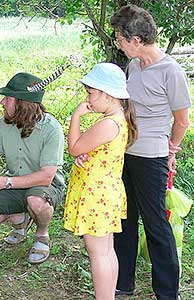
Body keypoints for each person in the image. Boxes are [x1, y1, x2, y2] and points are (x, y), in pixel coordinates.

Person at [110, 4, 191, 300]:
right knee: (124, 218)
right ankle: (123, 283)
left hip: (153, 157)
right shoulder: (133, 66)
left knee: (156, 223)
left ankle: (168, 292)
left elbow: (182, 120)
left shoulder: (171, 71)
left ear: (136, 39)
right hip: (125, 153)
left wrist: (170, 151)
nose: (118, 42)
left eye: (120, 37)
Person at [0, 72, 66, 264]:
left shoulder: (51, 128)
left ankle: (42, 234)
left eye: (7, 98)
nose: (2, 102)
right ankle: (20, 220)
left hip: (45, 187)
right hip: (14, 185)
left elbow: (46, 177)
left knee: (35, 200)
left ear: (22, 103)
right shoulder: (3, 125)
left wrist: (4, 182)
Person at [64, 63, 137, 300]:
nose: (88, 99)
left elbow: (73, 148)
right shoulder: (118, 119)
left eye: (91, 93)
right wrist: (84, 156)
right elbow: (91, 152)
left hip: (96, 196)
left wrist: (76, 115)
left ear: (107, 94)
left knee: (98, 254)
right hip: (106, 192)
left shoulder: (107, 123)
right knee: (106, 251)